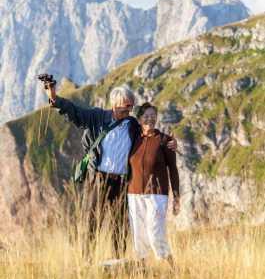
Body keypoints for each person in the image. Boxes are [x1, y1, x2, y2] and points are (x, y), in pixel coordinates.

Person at [43, 80, 177, 258]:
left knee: (119, 225)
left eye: (131, 106)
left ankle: (118, 260)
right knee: (91, 221)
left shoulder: (132, 125)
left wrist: (169, 141)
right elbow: (74, 111)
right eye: (126, 106)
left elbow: (150, 133)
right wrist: (54, 97)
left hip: (122, 181)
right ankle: (86, 260)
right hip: (99, 178)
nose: (129, 110)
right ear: (115, 103)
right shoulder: (98, 117)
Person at [127, 102, 180, 266]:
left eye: (153, 115)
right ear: (140, 118)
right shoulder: (133, 139)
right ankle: (142, 269)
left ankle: (171, 266)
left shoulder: (165, 140)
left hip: (157, 194)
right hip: (134, 193)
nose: (150, 119)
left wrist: (176, 197)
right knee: (138, 234)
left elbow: (173, 169)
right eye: (146, 116)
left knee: (155, 231)